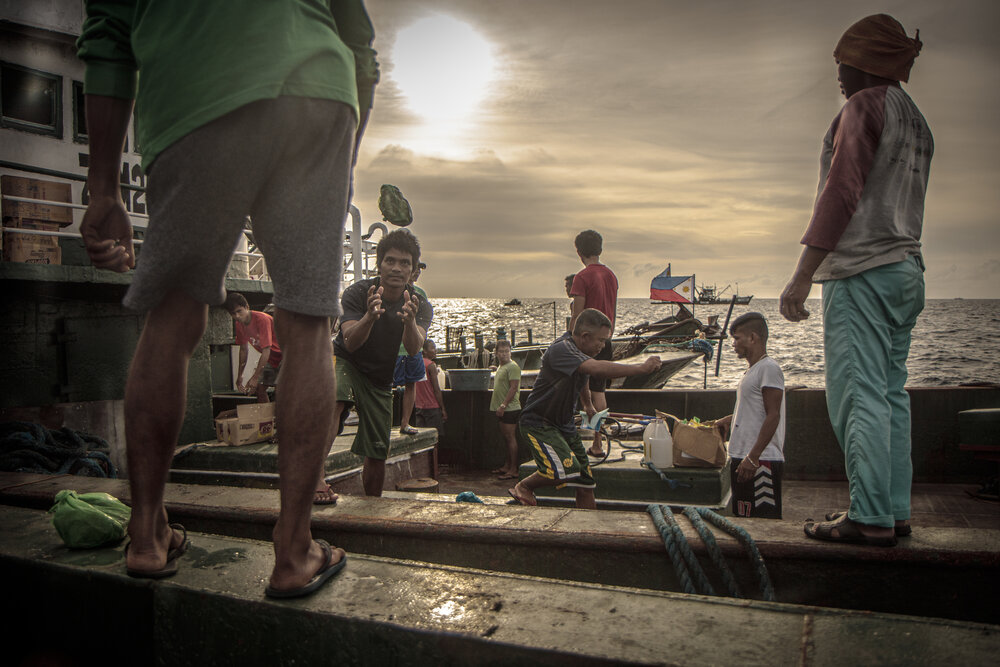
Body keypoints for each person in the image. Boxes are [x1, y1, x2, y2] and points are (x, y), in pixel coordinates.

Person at [76, 0, 378, 596]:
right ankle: (294, 551)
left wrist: (104, 187)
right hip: (316, 93)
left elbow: (108, 36)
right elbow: (361, 48)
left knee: (172, 317)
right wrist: (342, 158)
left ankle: (146, 536)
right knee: (310, 321)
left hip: (192, 97)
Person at [779, 14, 930, 547]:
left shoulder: (862, 107)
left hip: (862, 273)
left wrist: (802, 277)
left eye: (843, 63)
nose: (838, 74)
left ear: (864, 62)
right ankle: (893, 510)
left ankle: (868, 518)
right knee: (890, 395)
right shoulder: (915, 119)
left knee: (857, 396)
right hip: (906, 270)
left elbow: (840, 194)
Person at [508, 309, 661, 509]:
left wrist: (588, 404)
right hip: (539, 423)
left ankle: (589, 526)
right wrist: (640, 368)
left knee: (585, 481)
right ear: (585, 336)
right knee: (563, 469)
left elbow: (583, 378)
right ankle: (524, 487)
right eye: (601, 340)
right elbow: (596, 369)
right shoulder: (561, 349)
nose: (603, 345)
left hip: (564, 424)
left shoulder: (580, 353)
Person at [323, 230, 432, 497]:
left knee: (377, 450)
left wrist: (408, 322)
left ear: (413, 270)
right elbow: (349, 341)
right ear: (378, 263)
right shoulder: (359, 292)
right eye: (390, 261)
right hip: (347, 363)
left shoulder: (420, 304)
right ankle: (316, 479)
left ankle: (372, 504)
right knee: (335, 400)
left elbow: (416, 347)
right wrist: (370, 316)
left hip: (381, 378)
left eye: (405, 263)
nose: (396, 268)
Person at [714, 313, 785, 519]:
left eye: (737, 338)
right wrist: (728, 420)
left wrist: (753, 458)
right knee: (744, 517)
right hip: (743, 457)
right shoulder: (752, 371)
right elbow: (754, 411)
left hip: (760, 461)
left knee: (762, 522)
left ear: (753, 338)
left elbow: (773, 416)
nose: (733, 344)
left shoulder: (769, 368)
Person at [569, 230, 619, 458]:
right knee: (599, 392)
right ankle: (598, 442)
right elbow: (613, 314)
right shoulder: (611, 276)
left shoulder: (582, 277)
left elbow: (578, 316)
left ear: (579, 252)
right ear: (600, 249)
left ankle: (575, 439)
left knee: (580, 390)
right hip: (605, 340)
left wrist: (571, 340)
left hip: (585, 342)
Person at [225, 293, 282, 403]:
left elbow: (266, 350)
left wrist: (255, 377)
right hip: (272, 359)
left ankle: (282, 418)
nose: (237, 316)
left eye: (239, 311)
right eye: (233, 314)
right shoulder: (239, 324)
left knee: (279, 389)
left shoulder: (262, 319)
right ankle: (266, 419)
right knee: (259, 389)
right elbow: (243, 350)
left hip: (285, 356)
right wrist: (240, 376)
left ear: (247, 307)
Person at [394, 262, 428, 435]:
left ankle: (405, 423)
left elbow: (423, 322)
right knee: (385, 385)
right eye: (415, 269)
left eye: (419, 270)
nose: (417, 273)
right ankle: (383, 423)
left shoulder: (421, 294)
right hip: (394, 348)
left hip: (414, 349)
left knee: (411, 383)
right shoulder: (394, 291)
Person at [490, 339, 522, 480]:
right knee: (506, 438)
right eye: (501, 352)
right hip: (502, 408)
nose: (504, 354)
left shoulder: (513, 367)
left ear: (510, 352)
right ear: (496, 353)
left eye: (507, 351)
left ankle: (514, 469)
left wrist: (503, 405)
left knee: (510, 438)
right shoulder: (501, 366)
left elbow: (514, 388)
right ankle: (507, 465)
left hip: (510, 408)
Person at [413, 338, 447, 436]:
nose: (435, 350)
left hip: (419, 406)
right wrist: (443, 408)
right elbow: (436, 389)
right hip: (432, 407)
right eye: (433, 348)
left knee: (422, 439)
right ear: (425, 351)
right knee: (434, 438)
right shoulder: (431, 365)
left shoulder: (416, 363)